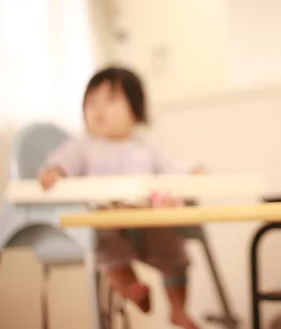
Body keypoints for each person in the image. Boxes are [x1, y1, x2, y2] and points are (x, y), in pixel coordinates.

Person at [38, 66, 200, 329]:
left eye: (110, 100)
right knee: (108, 246)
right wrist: (54, 171)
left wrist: (192, 172)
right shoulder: (82, 146)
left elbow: (173, 168)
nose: (98, 108)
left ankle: (178, 309)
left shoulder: (145, 148)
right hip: (105, 220)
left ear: (135, 109)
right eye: (91, 102)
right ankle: (132, 288)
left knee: (173, 244)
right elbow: (62, 162)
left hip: (146, 219)